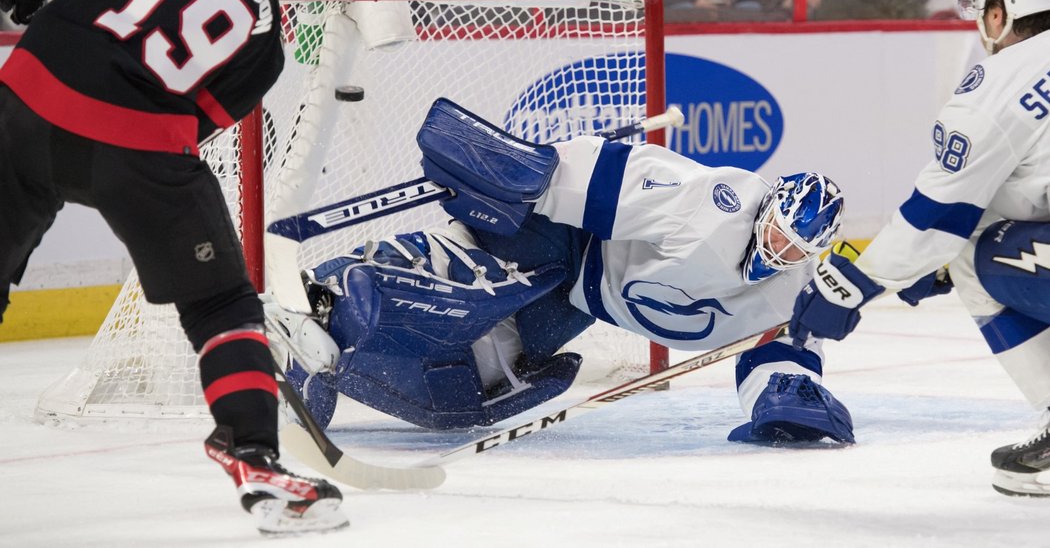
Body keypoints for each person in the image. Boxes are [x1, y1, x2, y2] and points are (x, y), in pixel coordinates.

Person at [0, 0, 346, 534]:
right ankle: (254, 454)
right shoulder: (266, 31)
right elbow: (199, 125)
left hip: (28, 102)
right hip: (140, 151)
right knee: (222, 304)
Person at [274, 98, 855, 446]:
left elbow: (781, 349)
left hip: (579, 300)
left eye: (795, 248)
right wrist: (531, 176)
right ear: (770, 207)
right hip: (567, 241)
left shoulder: (795, 291)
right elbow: (621, 180)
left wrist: (783, 395)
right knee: (473, 288)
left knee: (473, 381)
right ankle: (316, 306)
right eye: (778, 232)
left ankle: (345, 359)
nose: (779, 251)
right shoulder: (721, 203)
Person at [791, 0, 1050, 497]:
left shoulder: (998, 88)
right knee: (967, 247)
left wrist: (851, 285)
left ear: (1001, 11)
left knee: (976, 262)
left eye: (982, 10)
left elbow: (936, 217)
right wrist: (928, 261)